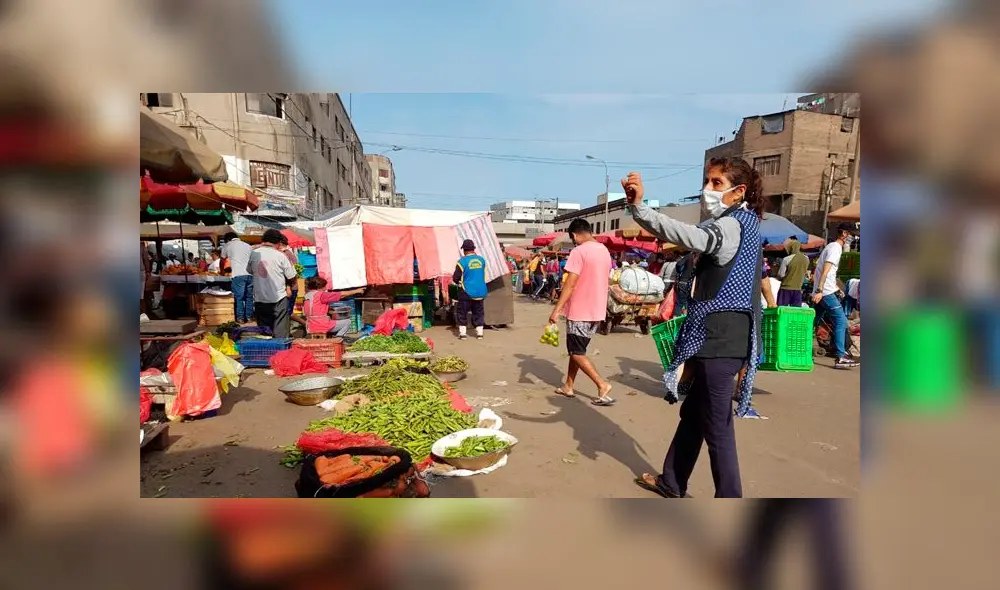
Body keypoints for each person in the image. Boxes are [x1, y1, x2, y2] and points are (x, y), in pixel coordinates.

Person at [626, 157, 766, 499]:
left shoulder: (733, 225)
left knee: (717, 427)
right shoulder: (742, 223)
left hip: (720, 339)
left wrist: (641, 209)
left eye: (716, 183)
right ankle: (672, 480)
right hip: (717, 338)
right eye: (707, 181)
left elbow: (691, 236)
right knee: (694, 415)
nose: (708, 190)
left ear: (739, 191)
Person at [549, 218, 616, 406]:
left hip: (580, 309)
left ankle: (602, 385)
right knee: (577, 350)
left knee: (576, 351)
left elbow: (570, 284)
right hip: (597, 309)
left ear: (575, 235)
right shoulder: (604, 250)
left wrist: (557, 310)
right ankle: (568, 386)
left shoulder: (579, 251)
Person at [811, 223, 859, 369]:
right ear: (844, 233)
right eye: (851, 234)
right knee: (840, 321)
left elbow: (827, 272)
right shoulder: (835, 248)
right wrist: (820, 290)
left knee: (814, 321)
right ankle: (840, 356)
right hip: (825, 292)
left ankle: (802, 350)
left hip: (826, 290)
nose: (853, 237)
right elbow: (825, 270)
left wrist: (837, 288)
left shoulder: (831, 247)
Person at [247, 229, 297, 338]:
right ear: (279, 243)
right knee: (281, 331)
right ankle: (281, 353)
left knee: (265, 332)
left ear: (264, 240)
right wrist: (290, 287)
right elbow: (291, 276)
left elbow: (249, 270)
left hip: (260, 298)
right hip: (279, 297)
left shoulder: (254, 254)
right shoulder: (280, 256)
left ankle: (267, 352)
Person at [453, 239, 488, 340]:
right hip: (480, 291)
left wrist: (458, 282)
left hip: (466, 291)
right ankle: (480, 333)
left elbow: (456, 278)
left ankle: (463, 334)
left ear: (464, 250)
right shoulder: (481, 260)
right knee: (479, 312)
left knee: (462, 311)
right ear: (473, 249)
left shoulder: (462, 262)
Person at [221, 232, 254, 324]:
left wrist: (222, 271)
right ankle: (249, 317)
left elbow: (222, 260)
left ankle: (240, 318)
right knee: (249, 297)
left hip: (238, 275)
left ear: (227, 240)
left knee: (238, 297)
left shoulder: (228, 245)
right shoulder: (248, 245)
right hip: (250, 274)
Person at [777, 237, 809, 307]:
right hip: (798, 289)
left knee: (782, 310)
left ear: (790, 248)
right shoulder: (806, 259)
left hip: (785, 288)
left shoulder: (786, 259)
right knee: (795, 311)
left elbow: (781, 275)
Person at [278, 235, 300, 315]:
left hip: (289, 287)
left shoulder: (285, 254)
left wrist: (288, 287)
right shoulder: (287, 253)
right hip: (289, 287)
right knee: (287, 312)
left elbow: (289, 273)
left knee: (286, 312)